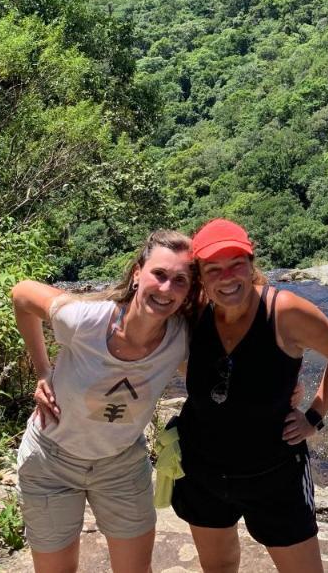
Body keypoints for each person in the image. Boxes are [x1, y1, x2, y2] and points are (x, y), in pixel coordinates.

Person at [171, 218, 328, 573]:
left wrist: (314, 416)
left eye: (236, 264)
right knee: (219, 567)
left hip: (274, 475)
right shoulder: (193, 313)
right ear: (200, 276)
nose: (227, 277)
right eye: (214, 269)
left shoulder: (284, 312)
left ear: (251, 264)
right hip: (203, 472)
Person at [11, 229, 196, 573]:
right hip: (51, 461)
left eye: (180, 281)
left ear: (188, 293)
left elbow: (227, 367)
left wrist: (287, 390)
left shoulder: (180, 341)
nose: (166, 288)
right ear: (138, 272)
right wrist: (42, 369)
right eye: (159, 274)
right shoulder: (84, 320)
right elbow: (22, 294)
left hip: (121, 464)